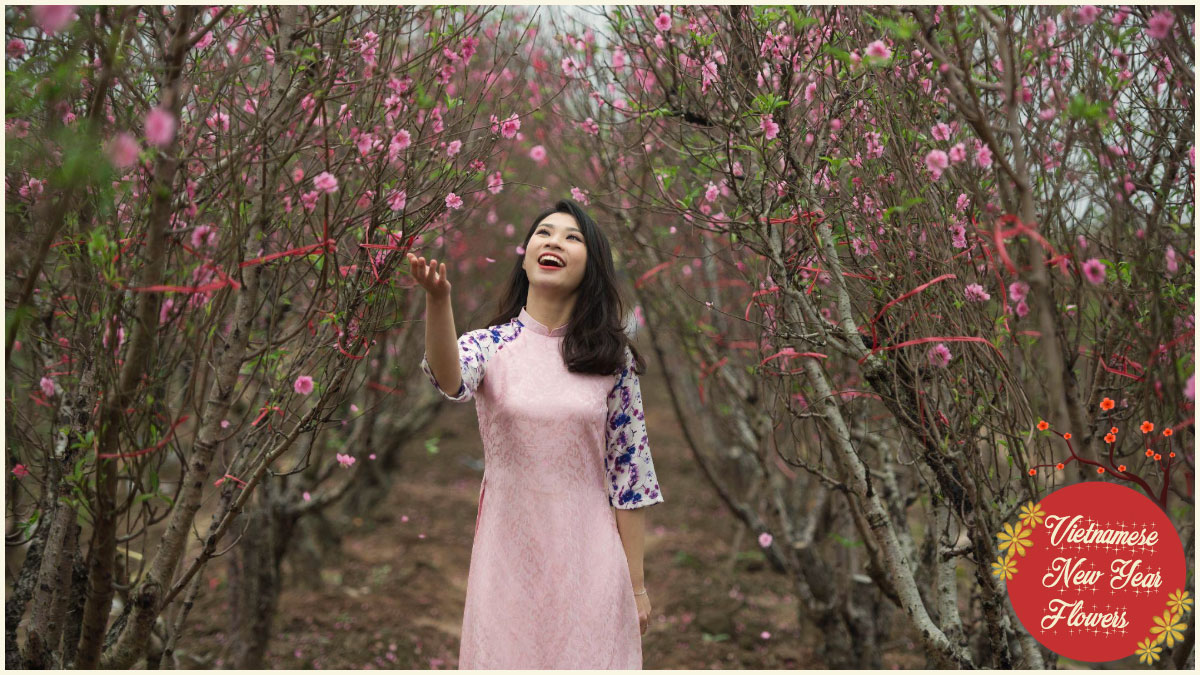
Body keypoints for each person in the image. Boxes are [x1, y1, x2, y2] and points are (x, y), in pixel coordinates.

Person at [407, 197, 664, 669]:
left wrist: (637, 587)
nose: (555, 242)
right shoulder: (492, 344)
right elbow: (449, 377)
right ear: (525, 256)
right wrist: (438, 301)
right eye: (545, 232)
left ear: (591, 267)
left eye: (573, 237)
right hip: (507, 562)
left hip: (591, 561)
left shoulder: (611, 360)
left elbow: (630, 481)